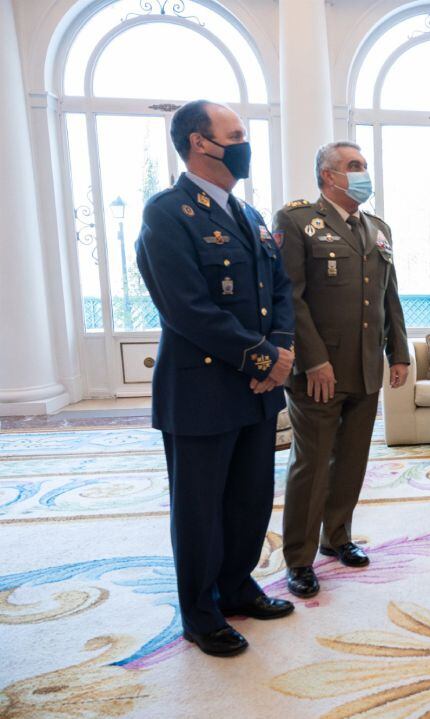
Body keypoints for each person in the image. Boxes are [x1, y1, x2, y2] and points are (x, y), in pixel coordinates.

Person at [135, 99, 296, 657]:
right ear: (201, 143)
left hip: (256, 390)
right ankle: (199, 613)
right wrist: (261, 358)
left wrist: (280, 350)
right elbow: (186, 308)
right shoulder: (167, 213)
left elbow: (280, 292)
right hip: (202, 391)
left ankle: (237, 586)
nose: (244, 143)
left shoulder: (249, 217)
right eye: (236, 134)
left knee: (250, 498)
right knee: (200, 508)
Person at [276, 142, 410, 599]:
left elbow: (389, 294)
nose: (362, 173)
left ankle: (337, 537)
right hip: (320, 370)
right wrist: (313, 359)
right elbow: (290, 298)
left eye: (365, 166)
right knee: (311, 465)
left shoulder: (378, 228)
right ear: (327, 176)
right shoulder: (296, 222)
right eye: (353, 166)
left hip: (365, 366)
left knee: (352, 460)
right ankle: (298, 558)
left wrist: (399, 352)